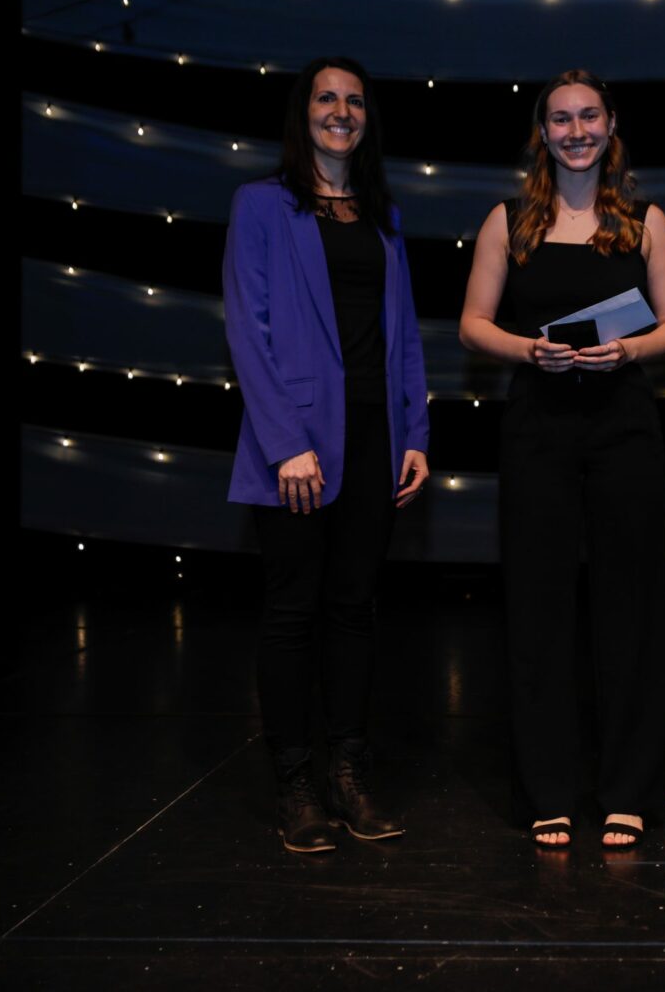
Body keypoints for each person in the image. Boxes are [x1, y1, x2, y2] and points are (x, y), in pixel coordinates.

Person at [459, 70, 665, 849]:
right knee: (538, 611)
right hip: (538, 429)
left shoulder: (646, 221)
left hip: (623, 426)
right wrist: (529, 350)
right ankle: (547, 791)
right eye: (560, 119)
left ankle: (626, 789)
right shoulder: (509, 220)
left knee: (629, 609)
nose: (575, 130)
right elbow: (471, 326)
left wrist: (628, 349)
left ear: (611, 123)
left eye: (588, 116)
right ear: (542, 131)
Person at [223, 56, 430, 854]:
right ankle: (294, 785)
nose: (340, 111)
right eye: (325, 99)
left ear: (366, 117)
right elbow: (249, 329)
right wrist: (286, 446)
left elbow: (404, 335)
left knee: (352, 612)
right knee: (290, 615)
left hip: (376, 440)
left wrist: (415, 437)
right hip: (298, 450)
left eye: (352, 101)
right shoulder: (262, 206)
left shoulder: (383, 215)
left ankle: (349, 773)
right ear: (301, 113)